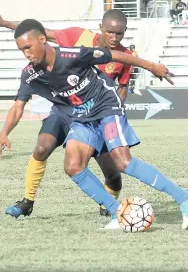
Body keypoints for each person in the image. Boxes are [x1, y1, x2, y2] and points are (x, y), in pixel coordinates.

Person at [5, 19, 188, 231]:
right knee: (73, 166)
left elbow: (115, 55)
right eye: (21, 50)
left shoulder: (71, 55)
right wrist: (4, 132)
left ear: (43, 40)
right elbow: (18, 106)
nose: (26, 53)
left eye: (28, 47)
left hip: (106, 107)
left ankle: (184, 198)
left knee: (123, 163)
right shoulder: (30, 74)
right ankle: (118, 212)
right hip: (82, 117)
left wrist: (153, 66)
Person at [0, 10, 132, 218]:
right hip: (63, 109)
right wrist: (7, 23)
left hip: (95, 114)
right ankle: (27, 201)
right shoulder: (78, 36)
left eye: (119, 33)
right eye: (110, 32)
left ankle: (108, 204)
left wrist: (113, 112)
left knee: (113, 175)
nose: (114, 37)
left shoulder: (124, 57)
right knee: (42, 147)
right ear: (101, 28)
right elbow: (39, 34)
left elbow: (122, 86)